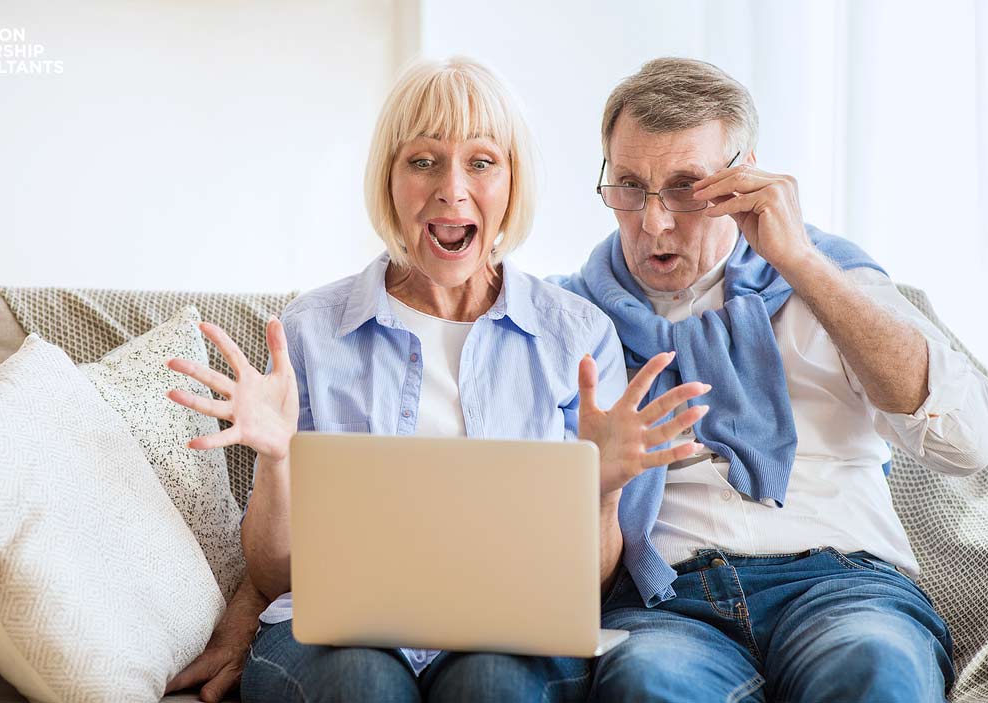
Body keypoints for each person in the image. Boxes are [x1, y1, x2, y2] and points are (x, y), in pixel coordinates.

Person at [164, 56, 710, 703]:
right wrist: (278, 458)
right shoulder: (311, 329)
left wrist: (600, 491)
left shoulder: (578, 338)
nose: (452, 188)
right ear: (389, 180)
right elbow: (275, 573)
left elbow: (586, 586)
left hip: (510, 636)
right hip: (335, 641)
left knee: (492, 681)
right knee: (362, 678)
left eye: (481, 162)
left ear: (513, 182)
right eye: (423, 160)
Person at [554, 57, 988, 702]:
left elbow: (969, 443)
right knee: (646, 685)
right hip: (667, 600)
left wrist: (798, 263)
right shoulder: (570, 321)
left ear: (743, 178)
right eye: (628, 186)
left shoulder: (835, 280)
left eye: (686, 187)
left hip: (842, 583)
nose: (653, 222)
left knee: (877, 669)